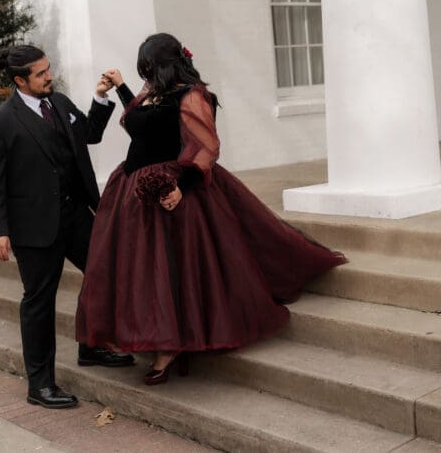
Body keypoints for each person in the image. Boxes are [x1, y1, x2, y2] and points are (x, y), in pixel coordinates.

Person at [76, 33, 347, 385]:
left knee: (173, 271)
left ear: (167, 65)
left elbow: (206, 148)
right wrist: (123, 89)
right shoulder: (151, 92)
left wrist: (180, 187)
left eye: (149, 68)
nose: (145, 74)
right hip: (132, 189)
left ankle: (168, 347)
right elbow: (141, 128)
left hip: (174, 190)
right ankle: (149, 333)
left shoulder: (193, 96)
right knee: (140, 272)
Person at [0, 44, 135, 410]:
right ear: (20, 80)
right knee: (39, 302)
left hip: (77, 214)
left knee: (102, 273)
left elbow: (90, 136)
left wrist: (100, 99)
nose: (50, 76)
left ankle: (91, 346)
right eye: (41, 73)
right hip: (34, 226)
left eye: (48, 69)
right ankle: (41, 385)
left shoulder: (60, 103)